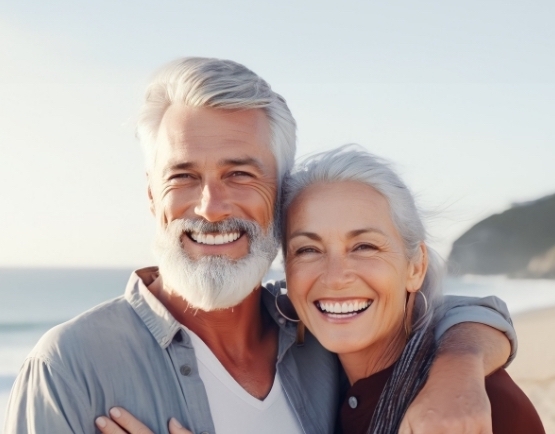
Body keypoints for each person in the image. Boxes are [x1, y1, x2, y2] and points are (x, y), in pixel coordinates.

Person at [4, 57, 515, 434]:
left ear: (279, 194)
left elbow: (445, 310)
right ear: (152, 197)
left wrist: (460, 365)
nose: (211, 206)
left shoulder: (319, 336)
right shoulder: (70, 367)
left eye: (240, 174)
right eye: (183, 175)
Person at [280, 146, 544, 433]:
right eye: (307, 249)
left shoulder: (471, 405)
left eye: (364, 246)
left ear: (415, 267)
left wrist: (461, 361)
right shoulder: (303, 377)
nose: (334, 277)